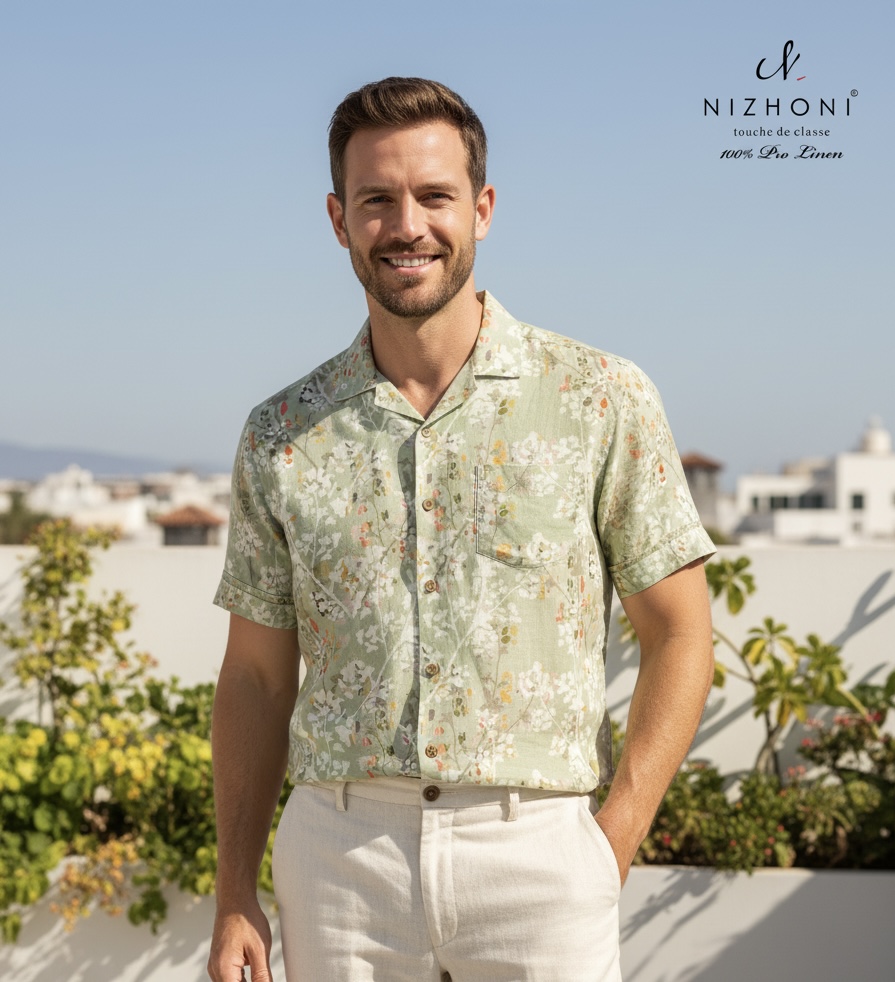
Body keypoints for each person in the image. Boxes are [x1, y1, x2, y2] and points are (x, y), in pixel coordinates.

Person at [207, 77, 715, 982]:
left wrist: (610, 841)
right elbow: (253, 676)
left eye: (434, 196)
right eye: (376, 200)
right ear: (338, 219)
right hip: (339, 862)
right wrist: (233, 888)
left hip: (538, 858)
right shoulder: (281, 432)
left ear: (481, 208)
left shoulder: (599, 399)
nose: (406, 226)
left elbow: (679, 630)